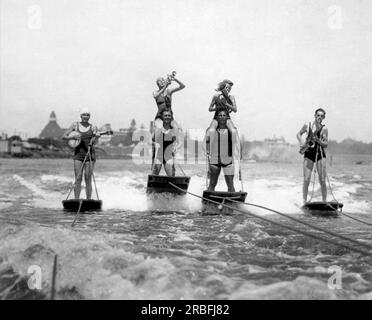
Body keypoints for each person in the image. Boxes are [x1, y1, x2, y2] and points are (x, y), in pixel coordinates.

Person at [62, 108, 100, 199]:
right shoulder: (75, 125)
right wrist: (73, 136)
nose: (86, 117)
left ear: (89, 116)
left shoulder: (93, 127)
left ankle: (88, 200)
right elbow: (64, 136)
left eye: (88, 115)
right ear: (81, 116)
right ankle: (76, 200)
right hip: (78, 155)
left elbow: (95, 142)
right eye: (84, 115)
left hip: (90, 155)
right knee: (78, 178)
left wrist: (97, 138)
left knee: (88, 178)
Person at [206, 79, 240, 172]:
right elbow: (209, 108)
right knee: (211, 131)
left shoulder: (231, 97)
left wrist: (226, 104)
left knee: (233, 131)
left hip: (227, 117)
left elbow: (235, 109)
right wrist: (217, 108)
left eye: (230, 88)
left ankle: (234, 152)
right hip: (216, 117)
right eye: (227, 87)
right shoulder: (216, 96)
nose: (229, 89)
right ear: (222, 87)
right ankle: (210, 151)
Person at [297, 108, 328, 203]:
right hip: (308, 153)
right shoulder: (308, 125)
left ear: (324, 117)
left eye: (322, 116)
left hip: (320, 153)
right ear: (315, 115)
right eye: (318, 115)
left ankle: (324, 201)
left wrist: (318, 140)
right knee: (306, 179)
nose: (319, 117)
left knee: (322, 179)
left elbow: (326, 144)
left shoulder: (324, 129)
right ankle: (304, 201)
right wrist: (301, 141)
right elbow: (298, 134)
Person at [207, 109, 235, 192]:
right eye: (220, 115)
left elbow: (237, 144)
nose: (222, 117)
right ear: (217, 118)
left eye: (224, 115)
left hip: (228, 159)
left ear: (226, 117)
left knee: (230, 184)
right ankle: (208, 200)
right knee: (212, 183)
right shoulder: (213, 130)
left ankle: (233, 202)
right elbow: (207, 142)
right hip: (215, 159)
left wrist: (237, 156)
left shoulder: (231, 130)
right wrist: (208, 152)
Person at [152, 109, 178, 176]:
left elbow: (178, 141)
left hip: (168, 156)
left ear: (171, 116)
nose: (167, 117)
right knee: (155, 175)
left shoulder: (173, 129)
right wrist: (155, 143)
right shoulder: (158, 127)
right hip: (158, 156)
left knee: (171, 175)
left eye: (169, 115)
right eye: (165, 115)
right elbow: (150, 140)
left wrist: (175, 147)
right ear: (162, 117)